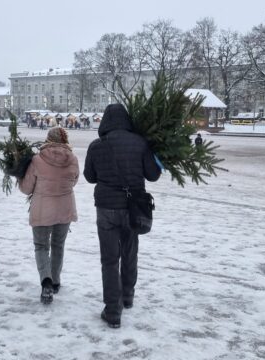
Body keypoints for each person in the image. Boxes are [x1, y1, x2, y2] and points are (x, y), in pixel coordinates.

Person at [83, 103, 161, 328]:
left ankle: (112, 311)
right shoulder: (140, 143)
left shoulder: (96, 145)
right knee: (129, 253)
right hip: (133, 208)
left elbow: (89, 176)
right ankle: (127, 296)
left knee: (109, 260)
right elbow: (153, 175)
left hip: (106, 209)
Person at [18, 127, 79, 304]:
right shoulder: (73, 159)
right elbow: (73, 181)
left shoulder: (37, 160)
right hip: (64, 208)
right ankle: (56, 281)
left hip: (42, 209)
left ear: (48, 139)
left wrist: (20, 177)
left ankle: (46, 282)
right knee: (58, 245)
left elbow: (27, 188)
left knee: (41, 246)